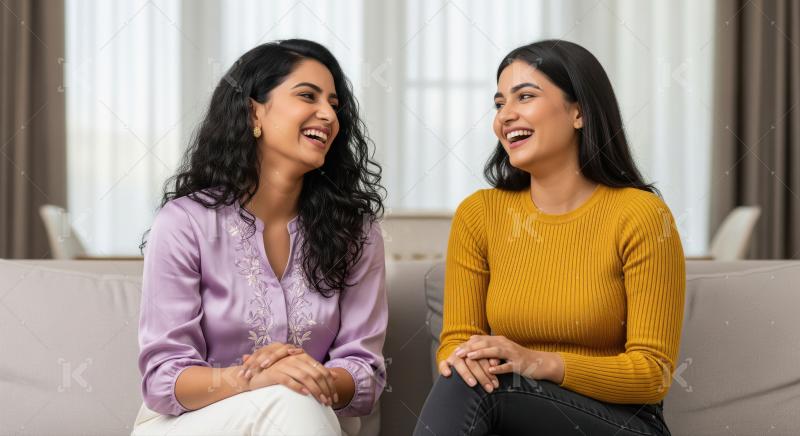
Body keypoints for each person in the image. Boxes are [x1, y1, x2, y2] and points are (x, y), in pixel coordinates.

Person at [414, 39, 685, 436]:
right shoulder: (479, 214)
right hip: (508, 410)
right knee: (464, 374)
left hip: (620, 421)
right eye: (499, 103)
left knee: (478, 387)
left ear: (579, 112)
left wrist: (537, 362)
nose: (506, 116)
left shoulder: (640, 215)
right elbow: (458, 343)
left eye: (525, 96)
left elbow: (652, 372)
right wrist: (473, 359)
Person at [132, 39, 387, 436]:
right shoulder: (185, 222)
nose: (328, 114)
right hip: (192, 424)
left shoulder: (356, 232)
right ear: (254, 111)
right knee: (290, 399)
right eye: (308, 95)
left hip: (310, 416)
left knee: (295, 400)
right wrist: (260, 378)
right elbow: (165, 379)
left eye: (334, 104)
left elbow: (364, 376)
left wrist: (305, 378)